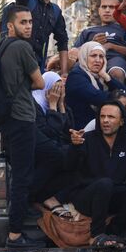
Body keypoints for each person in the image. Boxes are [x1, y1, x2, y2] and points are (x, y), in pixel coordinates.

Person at [57, 100, 126, 248]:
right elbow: (68, 165)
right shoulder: (86, 139)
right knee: (104, 183)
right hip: (87, 196)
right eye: (102, 116)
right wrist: (75, 147)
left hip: (112, 195)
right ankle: (96, 235)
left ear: (122, 121)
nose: (105, 120)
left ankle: (113, 233)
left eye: (111, 117)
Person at [0, 5, 46, 248]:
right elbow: (39, 82)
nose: (28, 26)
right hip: (23, 117)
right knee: (23, 177)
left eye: (30, 22)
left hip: (7, 119)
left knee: (18, 173)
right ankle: (16, 234)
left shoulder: (1, 46)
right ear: (10, 25)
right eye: (23, 22)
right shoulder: (22, 47)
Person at [31, 72, 76, 217]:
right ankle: (40, 198)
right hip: (41, 156)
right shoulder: (35, 107)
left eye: (60, 89)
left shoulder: (60, 104)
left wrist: (61, 105)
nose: (57, 93)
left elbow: (67, 131)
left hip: (58, 150)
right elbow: (50, 132)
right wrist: (51, 106)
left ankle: (53, 198)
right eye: (55, 89)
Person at [65, 42, 126, 129]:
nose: (98, 60)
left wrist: (106, 77)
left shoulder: (99, 77)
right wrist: (119, 96)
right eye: (93, 56)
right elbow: (98, 98)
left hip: (97, 127)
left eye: (101, 56)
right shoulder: (76, 76)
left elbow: (125, 93)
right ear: (84, 57)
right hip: (80, 130)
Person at [73, 0, 126, 83]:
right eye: (104, 7)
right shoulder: (87, 31)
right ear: (99, 10)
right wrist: (92, 43)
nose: (107, 10)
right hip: (90, 60)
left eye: (112, 7)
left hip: (115, 59)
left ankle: (117, 97)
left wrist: (111, 46)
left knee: (117, 73)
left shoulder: (125, 29)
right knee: (76, 70)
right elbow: (74, 52)